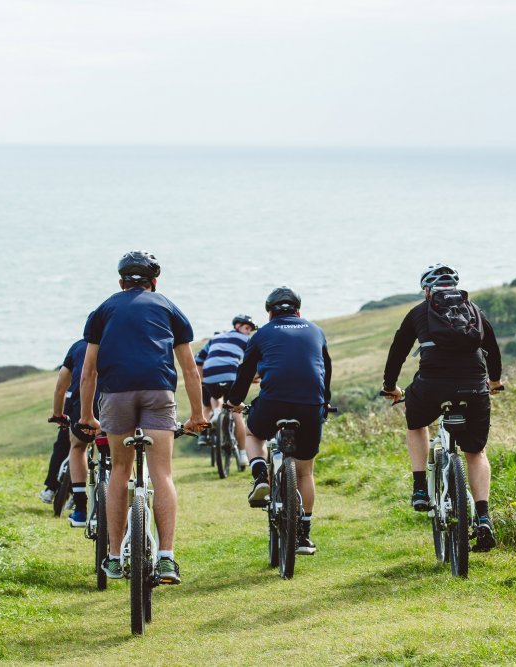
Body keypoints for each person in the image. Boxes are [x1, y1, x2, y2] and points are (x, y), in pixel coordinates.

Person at [78, 250, 206, 585]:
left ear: (121, 282)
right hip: (157, 391)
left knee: (119, 471)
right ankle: (166, 558)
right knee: (162, 472)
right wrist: (198, 414)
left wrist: (87, 416)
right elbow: (190, 369)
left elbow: (88, 371)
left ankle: (115, 557)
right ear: (154, 282)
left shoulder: (103, 310)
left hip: (116, 395)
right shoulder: (167, 306)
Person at [380, 263, 503, 552]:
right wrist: (494, 381)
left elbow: (397, 351)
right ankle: (483, 516)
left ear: (427, 291)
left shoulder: (419, 312)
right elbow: (493, 348)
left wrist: (390, 387)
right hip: (474, 386)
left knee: (416, 423)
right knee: (476, 452)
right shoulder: (473, 310)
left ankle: (420, 487)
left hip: (432, 387)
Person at [226, 287, 332, 555]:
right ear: (298, 310)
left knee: (253, 435)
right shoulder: (316, 330)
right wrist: (324, 403)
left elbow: (245, 370)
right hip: (311, 405)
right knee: (306, 471)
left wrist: (234, 401)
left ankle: (261, 473)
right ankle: (304, 536)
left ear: (270, 312)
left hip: (274, 403)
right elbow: (325, 371)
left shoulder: (262, 333)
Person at [51, 337, 100, 527]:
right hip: (113, 404)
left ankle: (80, 509)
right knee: (118, 457)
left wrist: (58, 414)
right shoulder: (120, 343)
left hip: (84, 406)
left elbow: (61, 385)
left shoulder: (78, 346)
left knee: (78, 447)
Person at [198, 316, 257, 463]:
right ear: (237, 326)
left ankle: (213, 418)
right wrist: (254, 377)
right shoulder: (245, 340)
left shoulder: (215, 338)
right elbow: (255, 359)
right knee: (236, 411)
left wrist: (201, 381)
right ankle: (243, 454)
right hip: (230, 375)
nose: (248, 332)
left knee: (212, 400)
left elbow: (198, 360)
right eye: (247, 328)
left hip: (210, 376)